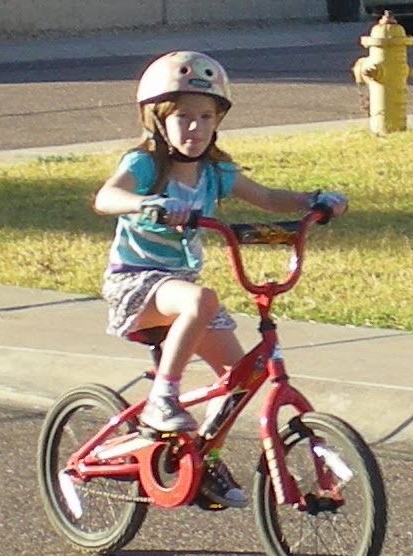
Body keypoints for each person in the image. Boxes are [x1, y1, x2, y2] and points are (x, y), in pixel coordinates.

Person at [92, 51, 348, 508]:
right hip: (136, 282)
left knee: (238, 379)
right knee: (202, 299)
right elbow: (107, 197)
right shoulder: (146, 165)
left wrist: (315, 200)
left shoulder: (215, 172)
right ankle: (163, 399)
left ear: (218, 121)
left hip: (181, 287)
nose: (195, 127)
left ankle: (203, 458)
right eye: (183, 117)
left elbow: (267, 198)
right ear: (157, 120)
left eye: (206, 116)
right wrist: (146, 204)